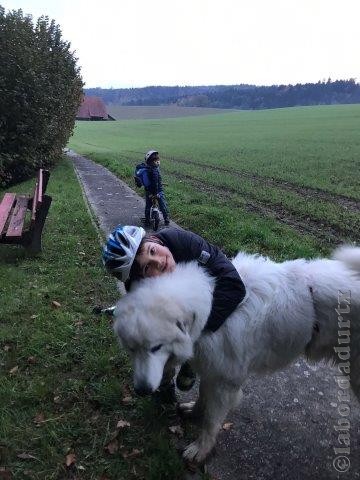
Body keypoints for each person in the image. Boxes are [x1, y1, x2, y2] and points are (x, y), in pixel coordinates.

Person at [102, 225, 246, 396]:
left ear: (153, 240)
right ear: (140, 279)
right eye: (148, 268)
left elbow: (234, 286)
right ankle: (164, 384)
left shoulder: (184, 242)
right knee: (155, 338)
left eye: (153, 251)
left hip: (205, 293)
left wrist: (194, 333)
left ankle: (189, 364)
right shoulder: (135, 287)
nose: (159, 262)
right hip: (165, 302)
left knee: (188, 336)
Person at [143, 150, 170, 227]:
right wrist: (156, 193)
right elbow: (155, 183)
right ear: (154, 162)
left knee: (148, 205)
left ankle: (147, 221)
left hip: (148, 191)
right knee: (163, 205)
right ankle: (166, 219)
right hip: (157, 191)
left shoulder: (147, 169)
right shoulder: (155, 170)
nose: (158, 162)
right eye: (157, 160)